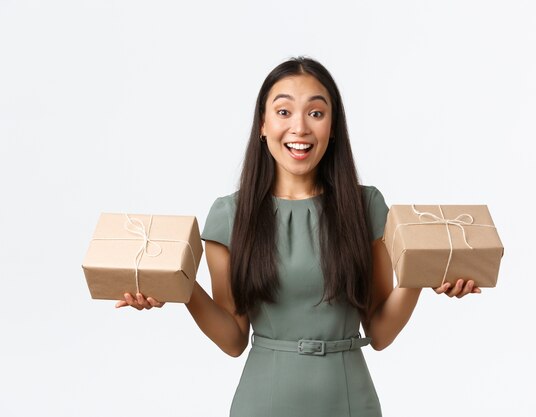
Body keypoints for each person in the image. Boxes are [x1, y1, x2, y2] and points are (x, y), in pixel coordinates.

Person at [115, 57, 480, 417]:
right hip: (263, 403)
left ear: (333, 127)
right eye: (284, 112)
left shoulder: (366, 207)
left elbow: (380, 333)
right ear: (262, 124)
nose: (300, 128)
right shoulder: (230, 216)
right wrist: (180, 286)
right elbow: (233, 339)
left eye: (316, 113)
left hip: (350, 402)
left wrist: (421, 273)